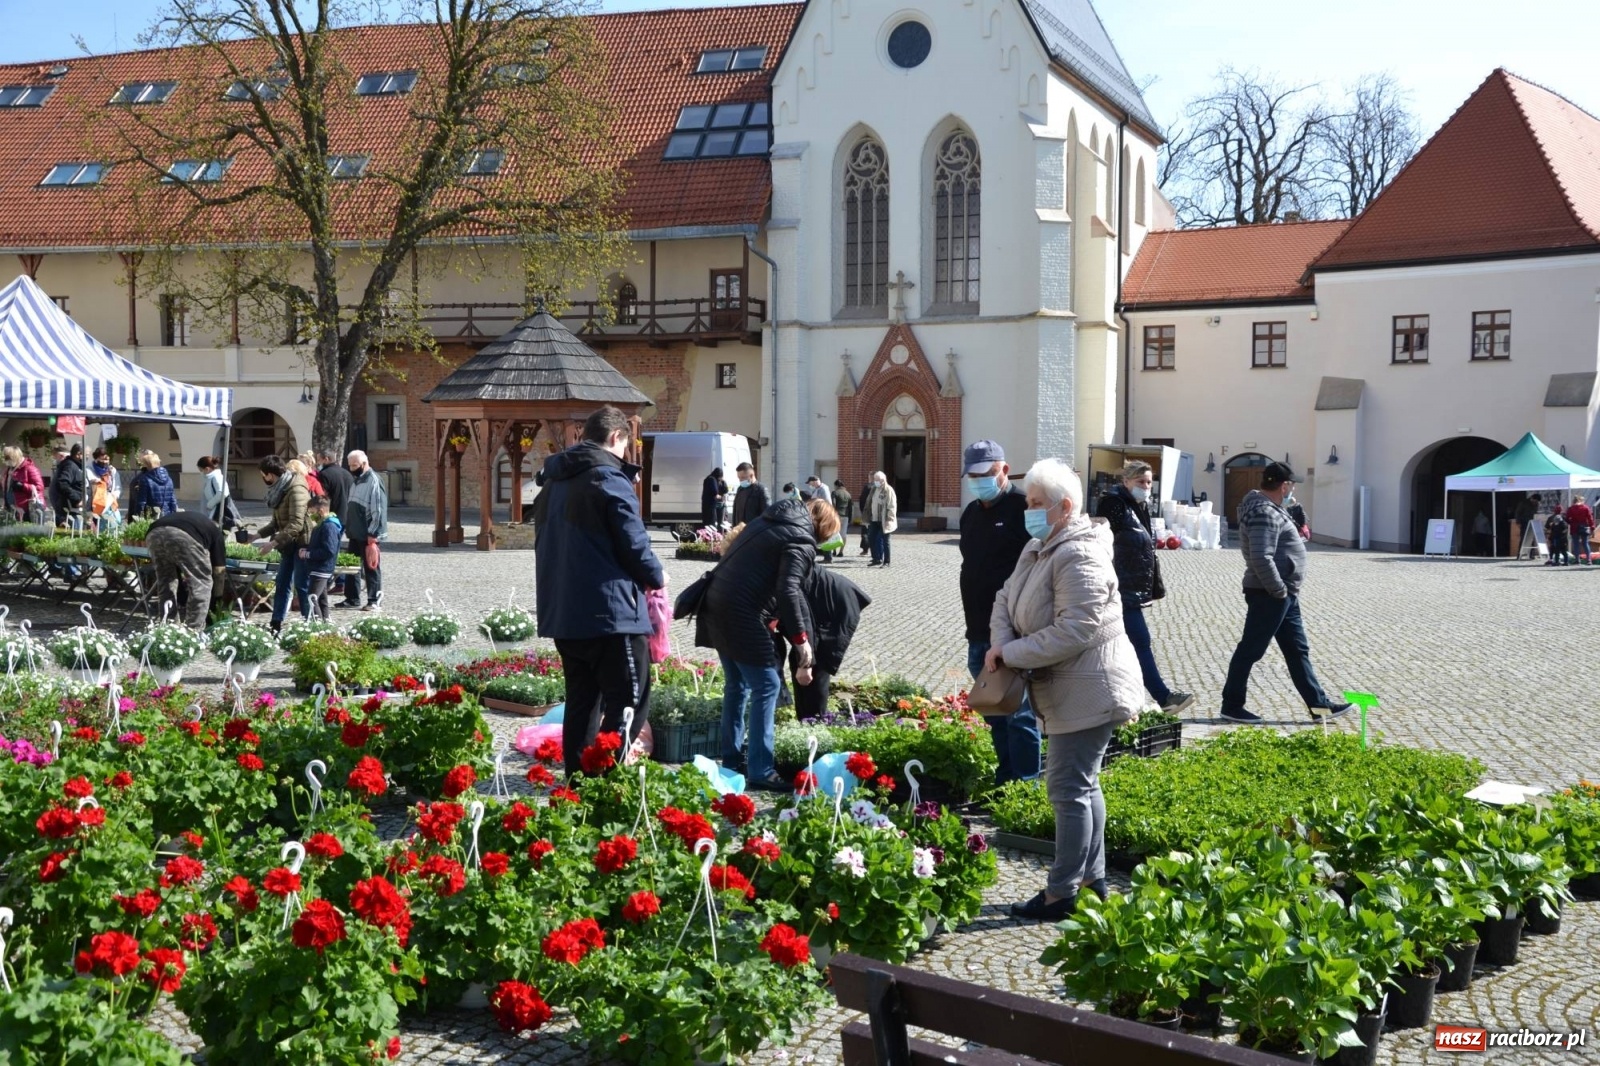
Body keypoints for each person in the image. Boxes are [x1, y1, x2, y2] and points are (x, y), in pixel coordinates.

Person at [985, 459, 1145, 920]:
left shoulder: (1081, 553)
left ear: (1065, 507)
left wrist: (1010, 655)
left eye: (1037, 504)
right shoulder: (1040, 546)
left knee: (1066, 786)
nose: (1029, 511)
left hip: (1091, 689)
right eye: (1030, 502)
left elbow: (1076, 629)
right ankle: (1091, 882)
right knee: (1080, 783)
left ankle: (1062, 891)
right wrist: (1001, 642)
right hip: (1066, 689)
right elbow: (1003, 597)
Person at [532, 406, 665, 776]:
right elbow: (634, 543)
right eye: (626, 446)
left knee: (582, 702)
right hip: (611, 614)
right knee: (629, 700)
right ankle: (604, 776)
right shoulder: (607, 477)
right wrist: (657, 575)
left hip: (564, 611)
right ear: (615, 438)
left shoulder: (554, 481)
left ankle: (579, 781)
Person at [699, 495, 833, 788]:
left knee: (738, 685)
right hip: (741, 613)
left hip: (715, 602)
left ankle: (732, 762)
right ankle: (761, 770)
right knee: (767, 685)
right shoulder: (801, 539)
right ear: (820, 530)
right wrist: (801, 642)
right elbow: (789, 590)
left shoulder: (770, 519)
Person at [1218, 462, 1352, 723]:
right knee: (1251, 650)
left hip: (1284, 594)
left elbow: (1286, 544)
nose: (1293, 490)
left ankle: (1318, 706)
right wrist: (1278, 590)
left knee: (1297, 649)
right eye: (1292, 485)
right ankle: (1231, 705)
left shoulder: (1274, 510)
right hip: (1271, 593)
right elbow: (1260, 556)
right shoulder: (1263, 513)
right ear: (1284, 485)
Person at [959, 439, 1043, 785]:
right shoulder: (971, 513)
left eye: (986, 474)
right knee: (992, 708)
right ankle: (1004, 775)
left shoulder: (1023, 508)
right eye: (973, 476)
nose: (979, 482)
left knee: (1019, 713)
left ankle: (1025, 784)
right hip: (977, 630)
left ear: (1003, 470)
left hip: (1012, 632)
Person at [1096, 459, 1194, 714]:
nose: (1146, 487)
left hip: (1131, 587)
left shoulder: (1138, 506)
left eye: (1149, 482)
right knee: (1139, 640)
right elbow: (1103, 542)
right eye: (1141, 482)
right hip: (1118, 586)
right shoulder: (1113, 504)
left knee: (1125, 644)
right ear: (1126, 481)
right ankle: (1162, 697)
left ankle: (1128, 700)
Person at [783, 554, 869, 720]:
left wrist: (806, 664)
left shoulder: (783, 577)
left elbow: (806, 626)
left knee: (816, 665)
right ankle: (807, 722)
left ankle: (816, 724)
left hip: (833, 606)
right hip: (817, 598)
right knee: (800, 658)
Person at [146, 508, 228, 629]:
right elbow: (219, 571)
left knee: (166, 581)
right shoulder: (216, 534)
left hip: (154, 532)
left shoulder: (198, 521)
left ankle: (168, 627)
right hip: (183, 535)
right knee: (201, 583)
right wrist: (217, 600)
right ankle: (194, 630)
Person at [255, 455, 310, 632]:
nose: (263, 479)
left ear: (270, 474)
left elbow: (296, 523)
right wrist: (255, 536)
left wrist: (272, 544)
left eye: (263, 475)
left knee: (301, 585)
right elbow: (276, 523)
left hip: (302, 542)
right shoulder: (280, 488)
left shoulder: (295, 488)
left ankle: (310, 621)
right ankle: (276, 622)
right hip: (288, 543)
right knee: (282, 582)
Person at [338, 450, 389, 610]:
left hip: (368, 534)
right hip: (355, 532)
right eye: (350, 465)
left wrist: (373, 534)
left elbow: (378, 510)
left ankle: (374, 600)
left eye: (355, 465)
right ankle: (352, 598)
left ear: (364, 464)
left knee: (371, 567)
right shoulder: (356, 481)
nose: (352, 468)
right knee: (352, 567)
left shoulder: (374, 481)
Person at [297, 494, 343, 620]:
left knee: (312, 598)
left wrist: (308, 554)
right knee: (322, 599)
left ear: (321, 511)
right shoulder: (323, 524)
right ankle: (325, 624)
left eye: (313, 512)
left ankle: (317, 626)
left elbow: (329, 550)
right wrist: (307, 549)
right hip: (318, 568)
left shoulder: (329, 526)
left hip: (322, 568)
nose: (312, 516)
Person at [2, 446, 48, 523]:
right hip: (13, 507)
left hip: (26, 508)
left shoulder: (29, 468)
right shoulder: (10, 469)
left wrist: (22, 486)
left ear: (15, 457)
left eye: (8, 459)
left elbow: (40, 487)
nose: (7, 461)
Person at [128, 451, 177, 519]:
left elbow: (142, 502)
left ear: (146, 465)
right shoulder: (169, 479)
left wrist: (137, 516)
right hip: (166, 514)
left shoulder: (145, 479)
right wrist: (173, 514)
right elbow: (173, 500)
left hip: (150, 516)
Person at [49, 444, 86, 528]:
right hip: (70, 511)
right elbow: (62, 484)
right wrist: (77, 499)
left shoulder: (74, 466)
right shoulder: (70, 466)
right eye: (86, 455)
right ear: (78, 454)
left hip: (71, 510)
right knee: (72, 537)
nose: (87, 458)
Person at [866, 469, 898, 567]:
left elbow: (892, 506)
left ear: (883, 480)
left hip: (884, 519)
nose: (875, 481)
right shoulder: (874, 489)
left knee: (885, 541)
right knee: (871, 538)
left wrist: (889, 519)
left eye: (877, 480)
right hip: (874, 519)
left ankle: (886, 561)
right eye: (874, 479)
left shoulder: (888, 490)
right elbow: (869, 502)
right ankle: (876, 558)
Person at [197, 455, 237, 528]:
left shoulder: (216, 477)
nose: (201, 472)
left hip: (219, 513)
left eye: (201, 470)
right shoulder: (210, 478)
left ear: (207, 469)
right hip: (214, 512)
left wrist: (210, 504)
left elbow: (222, 493)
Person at [88, 448, 123, 533]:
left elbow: (118, 487)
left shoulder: (112, 470)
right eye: (102, 459)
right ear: (96, 459)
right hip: (95, 505)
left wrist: (114, 495)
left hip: (110, 504)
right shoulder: (89, 470)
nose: (105, 462)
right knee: (97, 530)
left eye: (107, 459)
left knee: (114, 526)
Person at [316, 450, 354, 525]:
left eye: (319, 460)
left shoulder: (324, 474)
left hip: (332, 515)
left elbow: (323, 495)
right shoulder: (347, 473)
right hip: (349, 515)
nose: (318, 463)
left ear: (326, 459)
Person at [730, 461, 769, 526]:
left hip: (753, 531)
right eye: (739, 478)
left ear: (751, 476)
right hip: (739, 530)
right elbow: (735, 511)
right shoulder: (740, 489)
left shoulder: (761, 490)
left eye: (743, 478)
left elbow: (767, 514)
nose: (740, 481)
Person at [1565, 494, 1594, 565]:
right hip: (1584, 526)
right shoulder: (1585, 508)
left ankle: (1577, 560)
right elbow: (1590, 518)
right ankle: (1589, 560)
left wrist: (1571, 522)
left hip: (1574, 527)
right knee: (1585, 543)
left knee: (1576, 544)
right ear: (1581, 500)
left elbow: (1567, 518)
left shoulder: (1571, 508)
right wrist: (1592, 527)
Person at [1513, 492, 1540, 559]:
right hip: (1524, 522)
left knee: (1532, 538)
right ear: (1532, 498)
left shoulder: (1536, 504)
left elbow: (1536, 512)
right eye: (1535, 501)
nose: (1536, 502)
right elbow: (1518, 512)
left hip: (1532, 522)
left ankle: (1532, 554)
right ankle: (1520, 554)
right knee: (1523, 538)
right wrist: (1518, 522)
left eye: (1537, 501)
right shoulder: (1523, 503)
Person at [857, 477, 875, 556]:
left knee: (865, 532)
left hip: (867, 513)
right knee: (874, 533)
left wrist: (862, 511)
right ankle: (874, 551)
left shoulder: (867, 487)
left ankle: (865, 550)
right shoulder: (879, 488)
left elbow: (861, 500)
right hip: (875, 514)